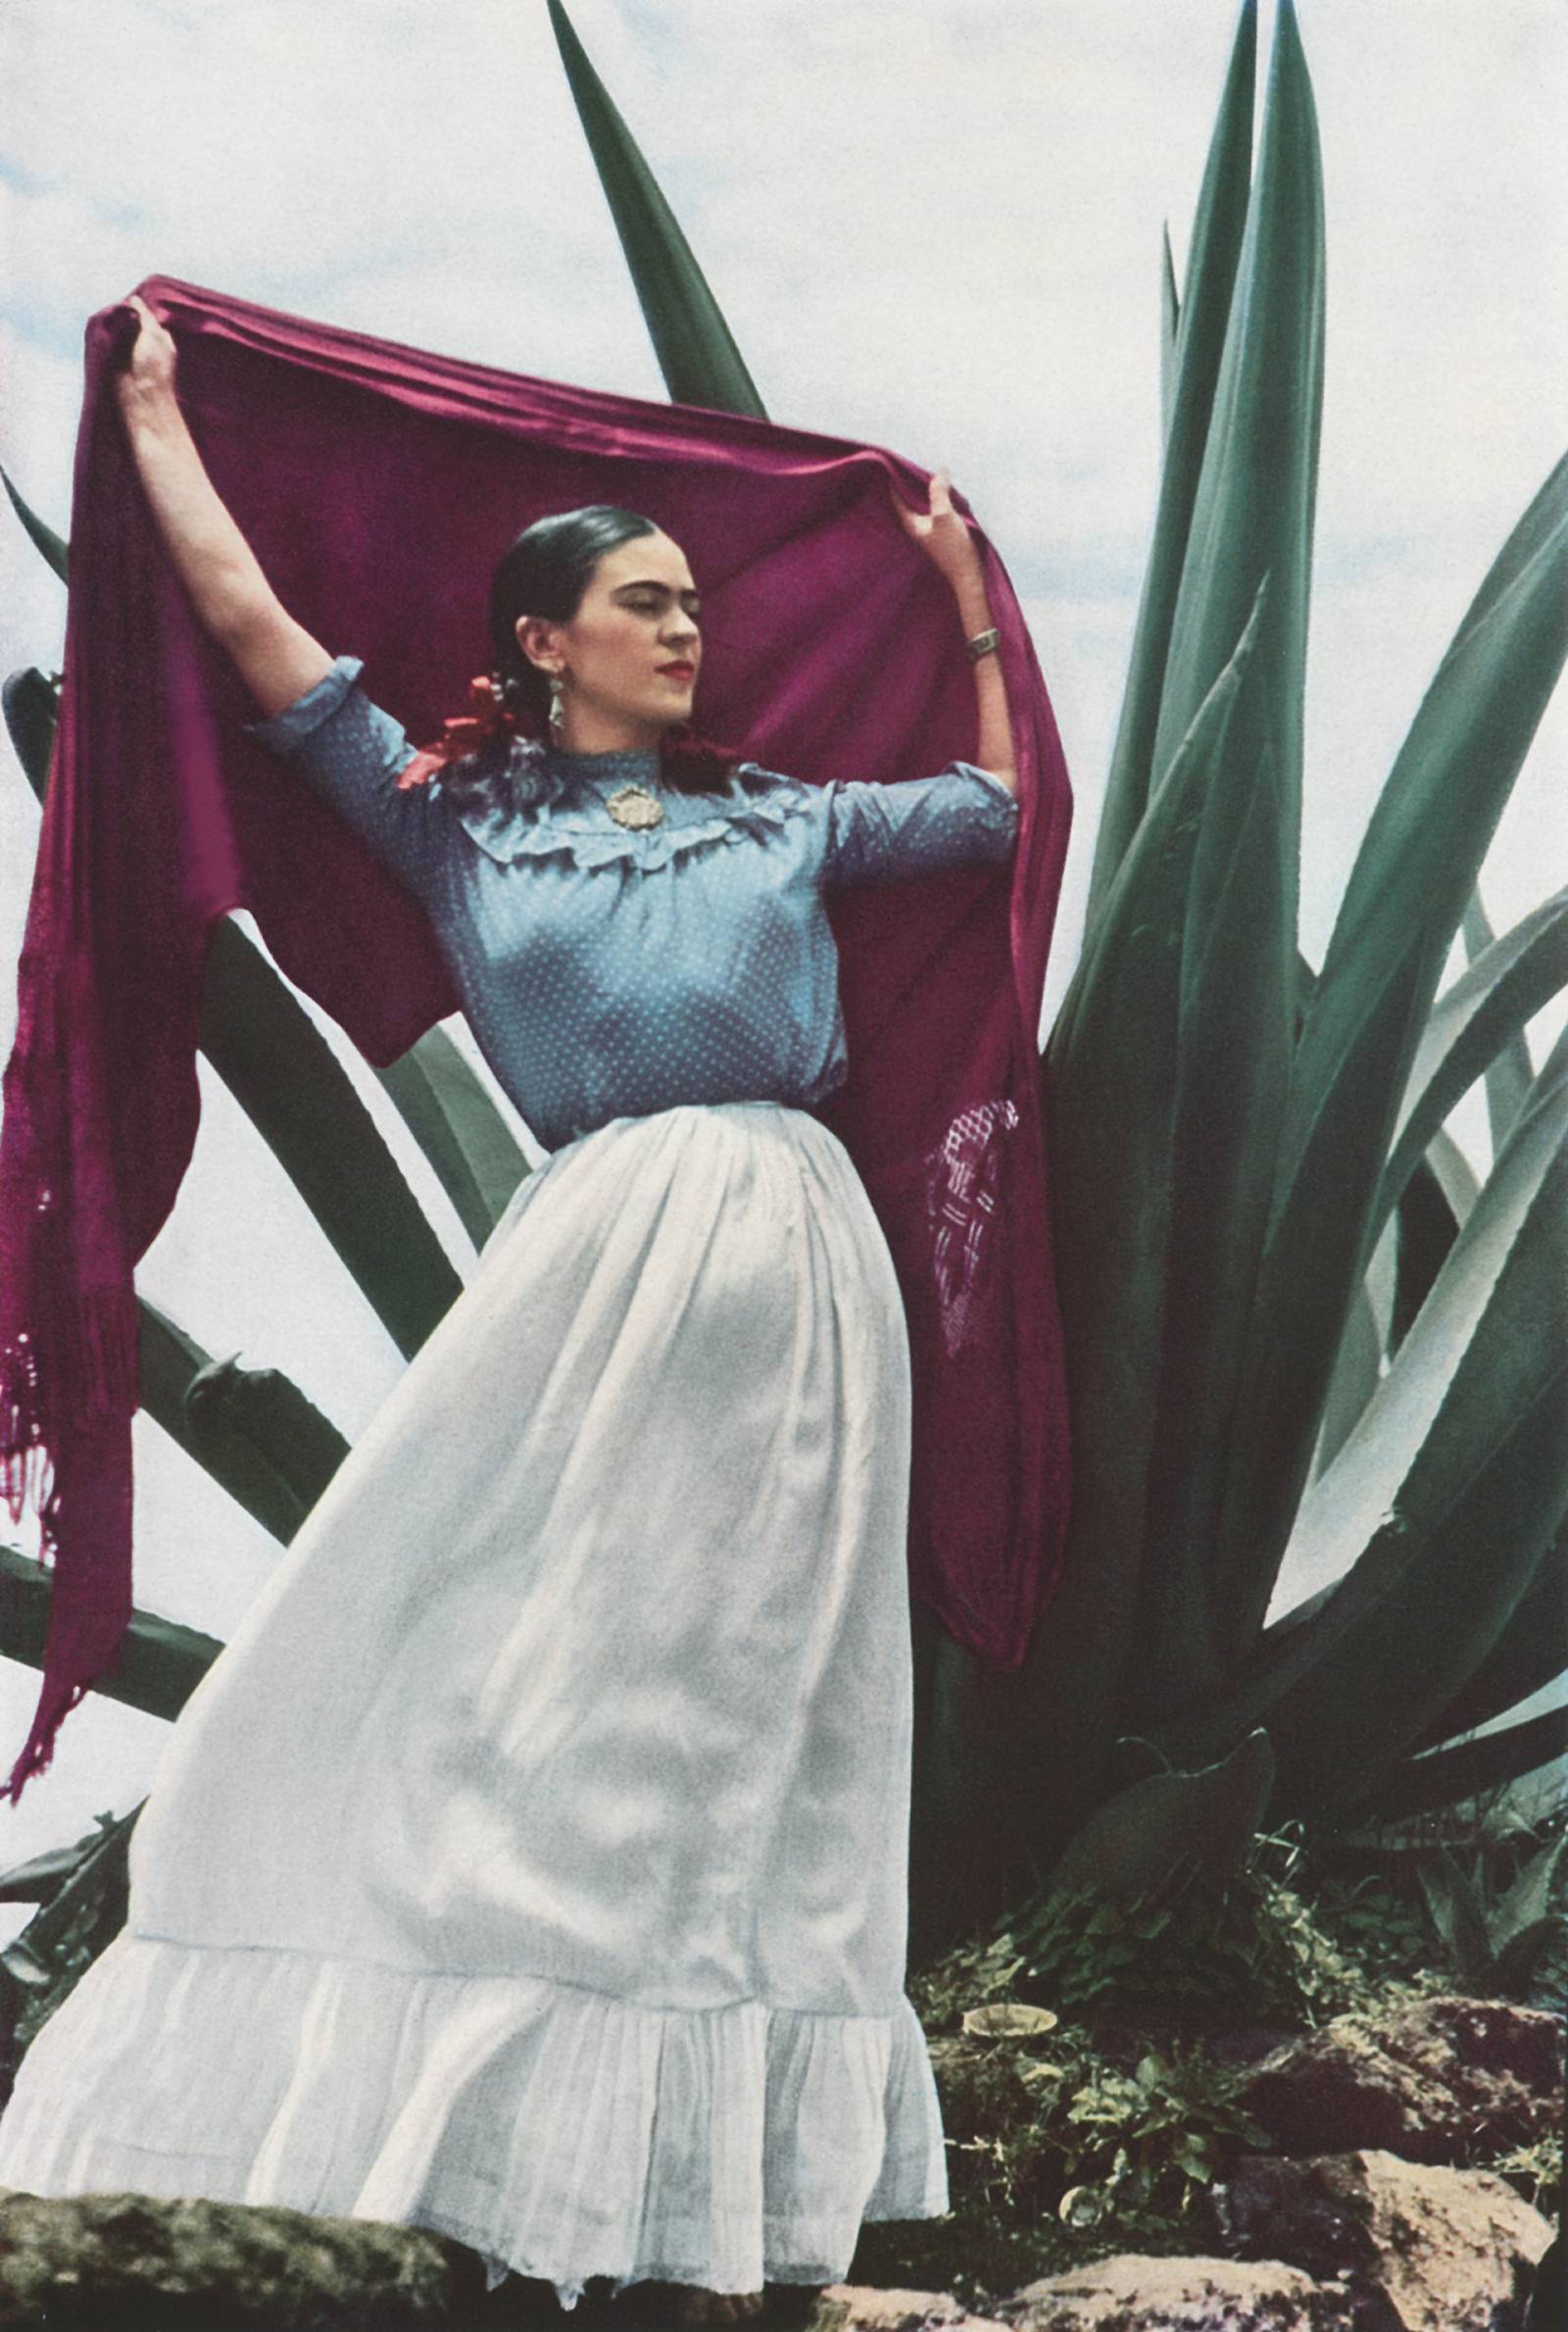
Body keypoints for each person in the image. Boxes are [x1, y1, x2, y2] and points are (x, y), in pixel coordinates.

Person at [0, 293, 1022, 2324]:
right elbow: (250, 626)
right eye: (642, 602)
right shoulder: (450, 812)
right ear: (541, 641)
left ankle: (668, 2186)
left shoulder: (783, 814)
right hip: (590, 1252)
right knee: (451, 1631)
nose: (683, 630)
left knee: (729, 1712)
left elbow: (992, 814)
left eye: (691, 605)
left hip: (788, 1251)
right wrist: (155, 428)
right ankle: (426, 2105)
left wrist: (965, 602)